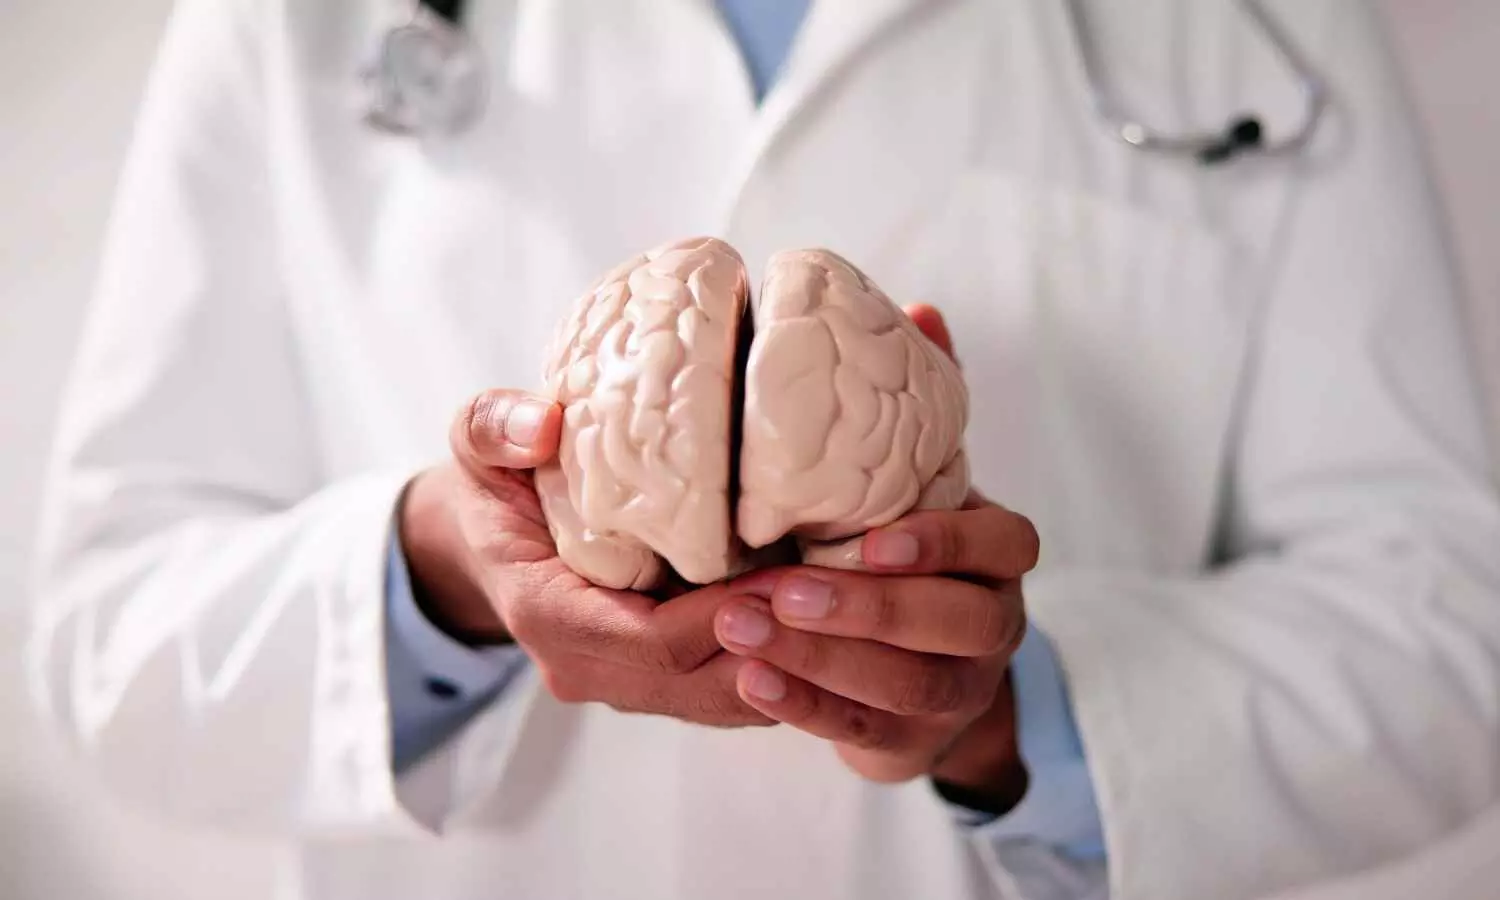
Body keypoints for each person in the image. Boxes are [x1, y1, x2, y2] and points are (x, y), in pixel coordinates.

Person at [24, 1, 1500, 899]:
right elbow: (108, 635)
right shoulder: (282, 22)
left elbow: (1446, 631)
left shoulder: (1264, 28)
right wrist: (441, 573)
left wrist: (1008, 719)